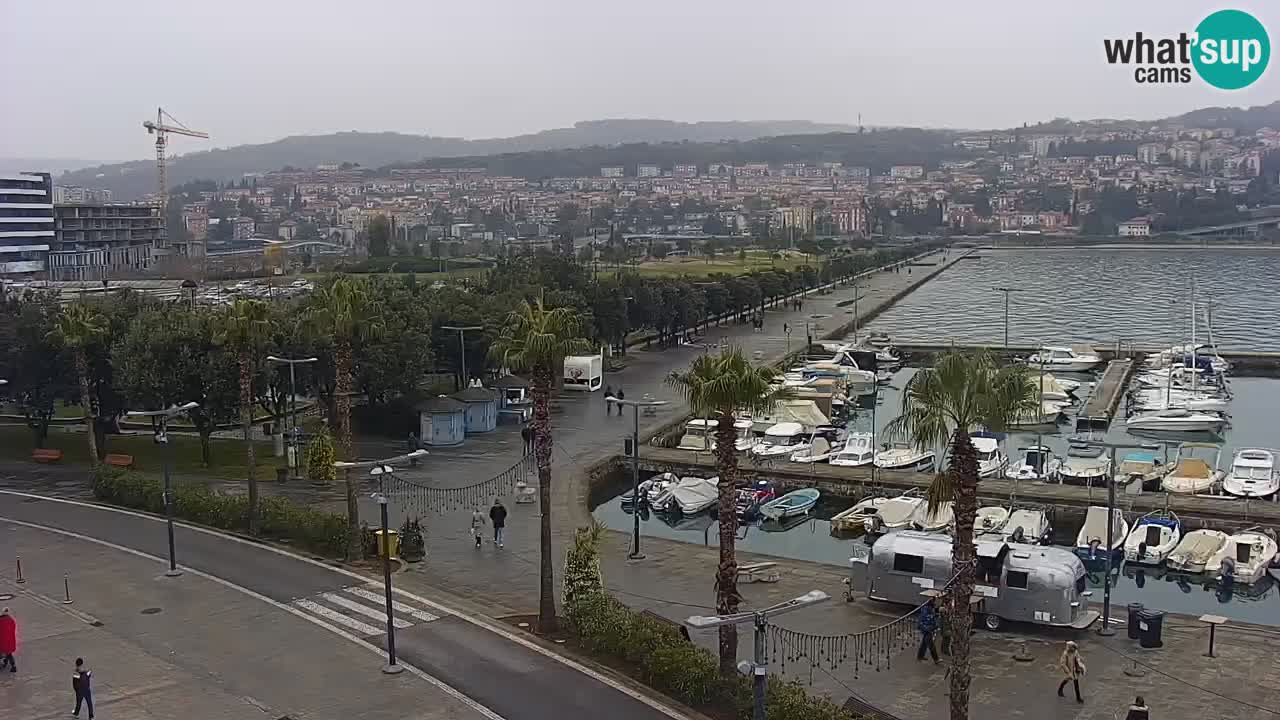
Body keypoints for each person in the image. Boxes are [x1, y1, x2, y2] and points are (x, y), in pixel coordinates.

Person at [915, 599, 940, 664]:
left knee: (924, 643)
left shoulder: (928, 610)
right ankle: (936, 659)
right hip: (927, 629)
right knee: (931, 645)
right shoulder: (927, 611)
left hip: (927, 629)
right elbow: (927, 620)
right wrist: (934, 627)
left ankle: (920, 656)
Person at [0, 607, 16, 672]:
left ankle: (4, 664)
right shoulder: (11, 620)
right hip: (10, 641)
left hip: (2, 642)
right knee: (9, 653)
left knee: (2, 653)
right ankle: (13, 666)